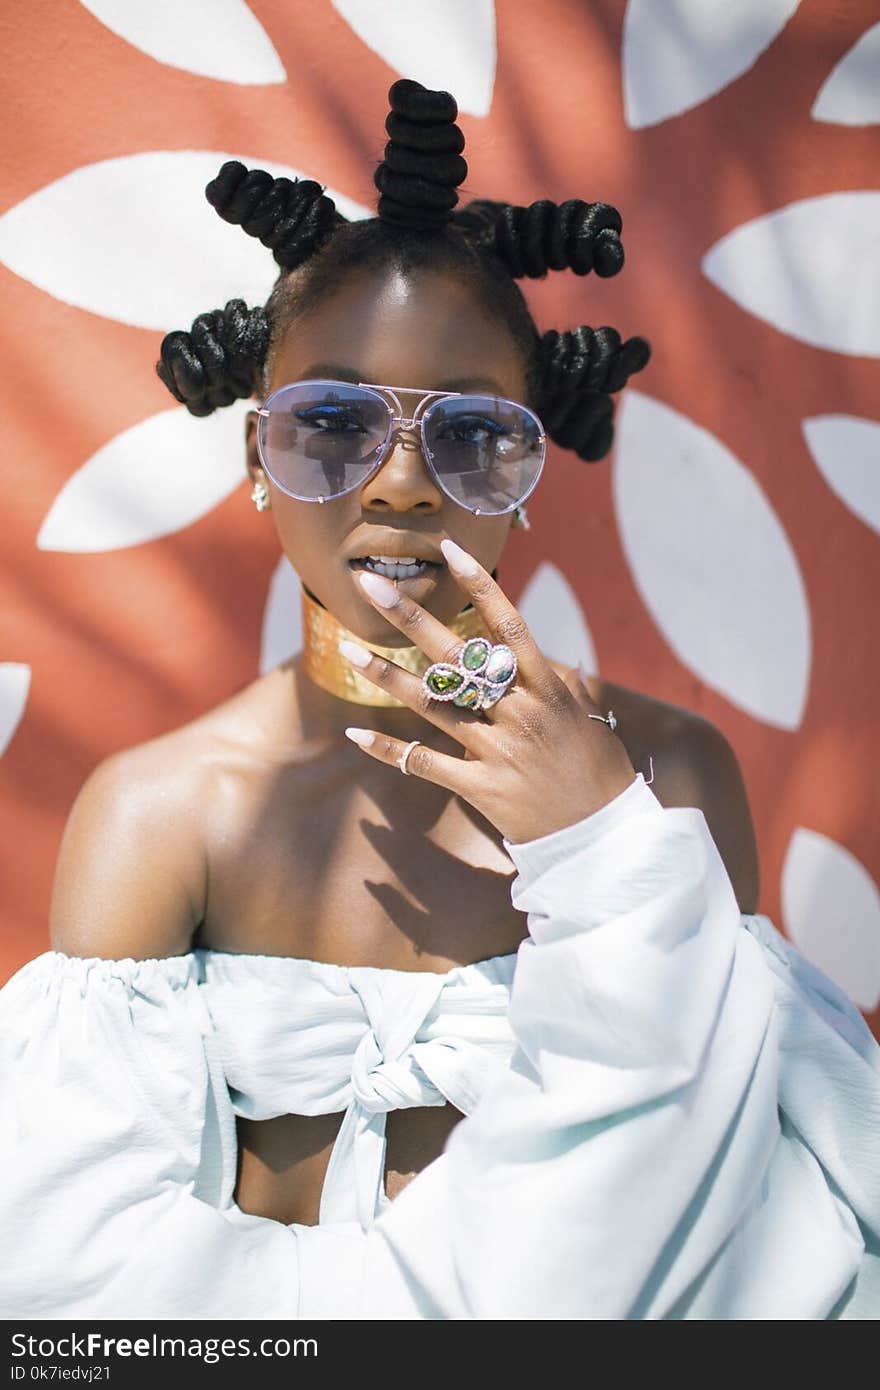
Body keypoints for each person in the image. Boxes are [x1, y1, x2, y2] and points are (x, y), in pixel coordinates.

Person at [1, 78, 877, 1321]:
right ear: (257, 451)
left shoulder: (663, 779)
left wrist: (598, 844)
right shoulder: (163, 814)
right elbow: (74, 1287)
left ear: (532, 465)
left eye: (470, 435)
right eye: (330, 424)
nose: (402, 483)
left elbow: (703, 1199)